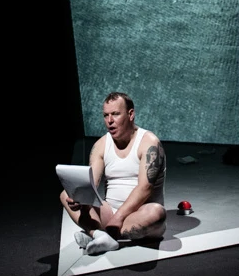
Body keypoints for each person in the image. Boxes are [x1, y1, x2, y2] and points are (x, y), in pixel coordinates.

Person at [60, 91, 166, 254]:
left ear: (130, 114)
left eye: (115, 114)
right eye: (106, 115)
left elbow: (145, 188)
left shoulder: (149, 142)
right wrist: (79, 197)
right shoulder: (101, 145)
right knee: (64, 195)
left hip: (138, 214)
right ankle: (100, 235)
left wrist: (119, 217)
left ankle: (98, 234)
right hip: (109, 213)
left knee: (156, 213)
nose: (109, 121)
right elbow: (91, 184)